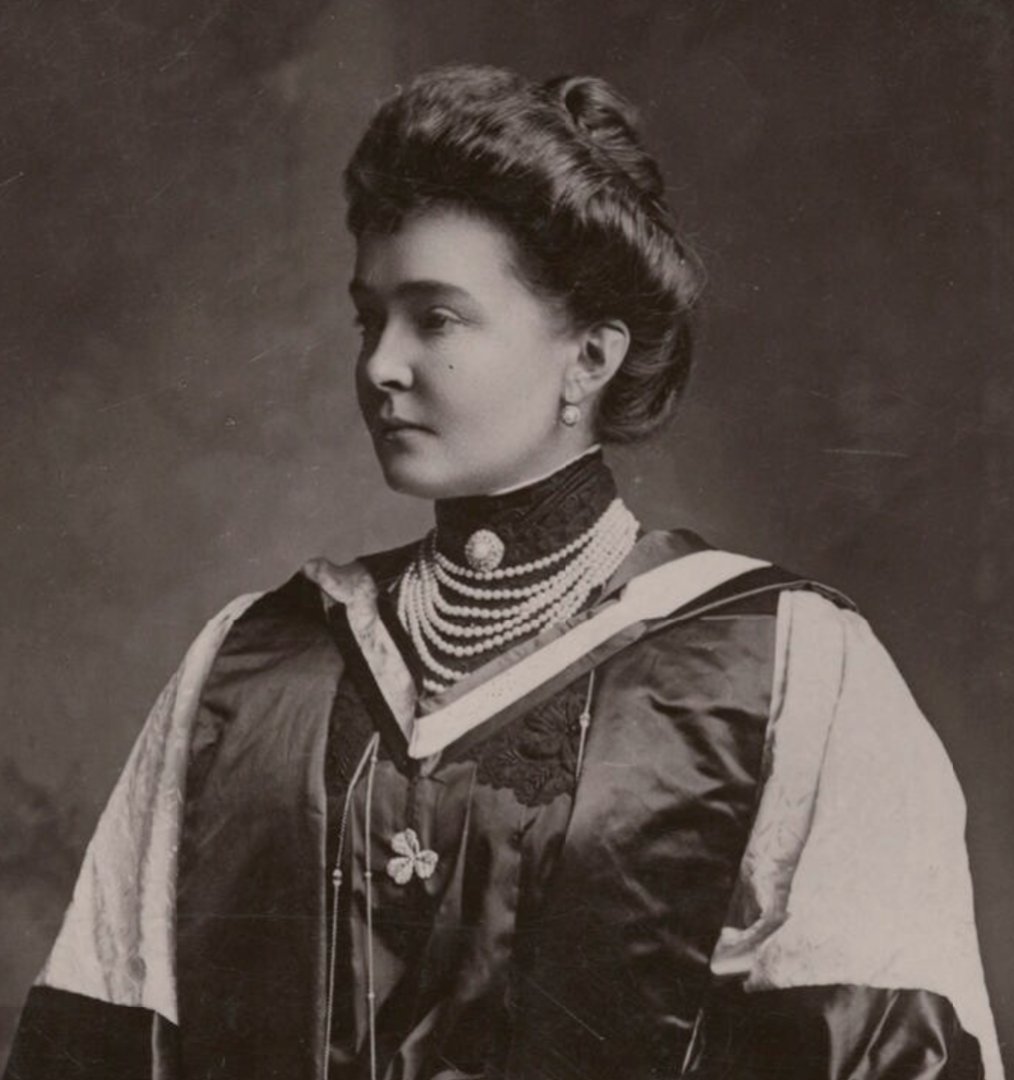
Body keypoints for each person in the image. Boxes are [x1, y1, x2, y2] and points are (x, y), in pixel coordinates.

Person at [4, 65, 1002, 1080]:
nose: (381, 365)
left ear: (591, 358)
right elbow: (98, 1046)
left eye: (435, 319)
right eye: (369, 318)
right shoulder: (250, 667)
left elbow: (886, 1055)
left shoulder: (779, 664)